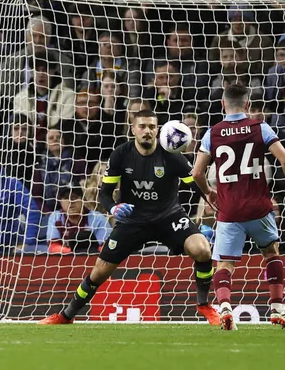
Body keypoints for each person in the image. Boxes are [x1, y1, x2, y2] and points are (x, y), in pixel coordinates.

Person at [39, 109, 220, 326]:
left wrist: (210, 197)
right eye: (142, 126)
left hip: (169, 217)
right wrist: (113, 209)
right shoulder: (121, 155)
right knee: (99, 272)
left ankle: (204, 304)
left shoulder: (172, 155)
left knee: (202, 249)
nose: (147, 131)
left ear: (158, 130)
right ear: (133, 129)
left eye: (152, 127)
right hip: (133, 221)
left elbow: (196, 185)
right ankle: (66, 316)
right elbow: (104, 194)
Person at [192, 84, 285, 330]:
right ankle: (277, 309)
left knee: (224, 264)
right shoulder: (260, 127)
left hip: (229, 210)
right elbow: (284, 157)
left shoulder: (212, 133)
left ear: (223, 104)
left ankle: (225, 308)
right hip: (259, 207)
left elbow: (197, 172)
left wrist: (208, 192)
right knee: (271, 253)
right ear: (247, 105)